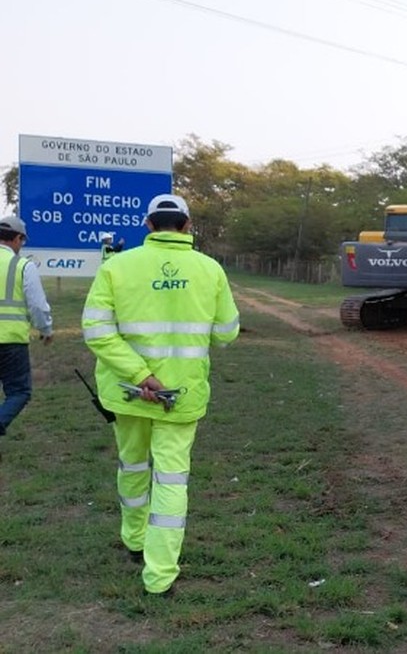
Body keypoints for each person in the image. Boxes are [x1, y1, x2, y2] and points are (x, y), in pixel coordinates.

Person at [82, 194, 239, 596]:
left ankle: (134, 541)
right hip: (181, 395)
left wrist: (139, 373)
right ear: (187, 225)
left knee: (132, 466)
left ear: (149, 225)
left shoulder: (116, 266)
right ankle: (160, 577)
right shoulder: (210, 269)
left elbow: (97, 331)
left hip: (128, 391)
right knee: (171, 480)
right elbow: (226, 333)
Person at [0, 215, 53, 452]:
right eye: (23, 240)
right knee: (19, 392)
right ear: (18, 238)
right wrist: (45, 329)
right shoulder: (22, 265)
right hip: (11, 341)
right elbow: (37, 305)